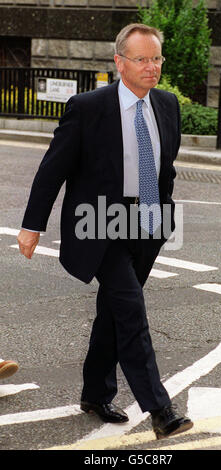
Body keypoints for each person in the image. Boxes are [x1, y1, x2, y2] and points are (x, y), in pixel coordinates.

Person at [17, 23, 193, 440]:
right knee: (131, 309)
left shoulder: (166, 105)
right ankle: (161, 410)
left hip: (147, 223)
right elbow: (52, 170)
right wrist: (32, 226)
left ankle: (95, 394)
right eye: (143, 59)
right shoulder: (88, 107)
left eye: (156, 59)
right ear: (119, 63)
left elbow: (165, 168)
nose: (152, 67)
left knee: (114, 312)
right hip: (100, 224)